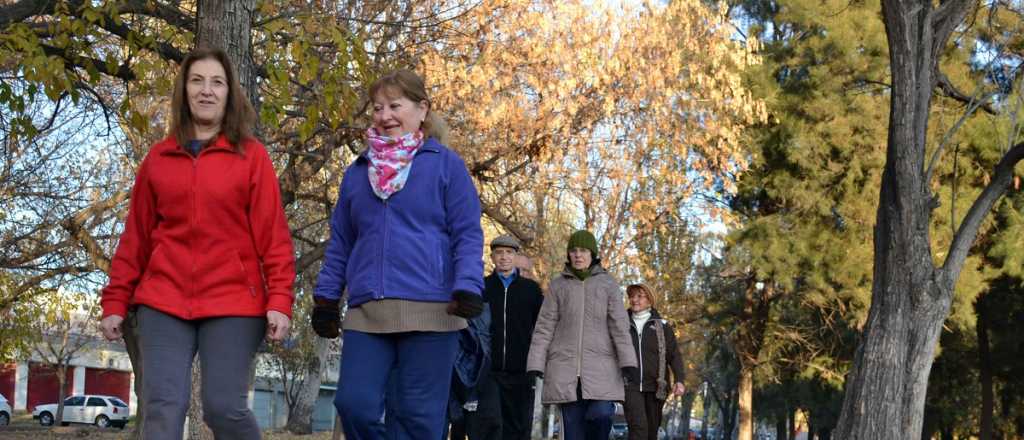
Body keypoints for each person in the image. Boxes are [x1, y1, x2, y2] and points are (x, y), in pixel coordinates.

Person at [98, 47, 295, 440]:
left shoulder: (251, 157)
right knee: (162, 409)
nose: (207, 91)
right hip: (164, 299)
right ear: (185, 91)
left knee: (223, 407)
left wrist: (280, 301)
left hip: (233, 300)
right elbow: (135, 238)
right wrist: (115, 300)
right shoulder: (158, 158)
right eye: (197, 81)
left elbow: (273, 237)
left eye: (217, 82)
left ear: (229, 93)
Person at [309, 68, 485, 440]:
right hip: (368, 312)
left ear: (422, 110)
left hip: (433, 311)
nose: (384, 115)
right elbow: (341, 240)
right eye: (377, 108)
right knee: (353, 404)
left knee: (419, 419)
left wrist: (468, 285)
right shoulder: (357, 172)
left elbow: (467, 232)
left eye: (394, 105)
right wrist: (326, 297)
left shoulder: (446, 165)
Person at [526, 230, 639, 440]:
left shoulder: (608, 285)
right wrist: (535, 363)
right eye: (574, 251)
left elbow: (619, 328)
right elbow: (544, 327)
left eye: (583, 251)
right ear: (569, 255)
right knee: (573, 433)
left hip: (601, 369)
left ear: (592, 254)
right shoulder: (558, 286)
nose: (578, 255)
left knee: (601, 413)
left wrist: (628, 363)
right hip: (565, 370)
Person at [478, 234, 544, 440]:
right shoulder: (482, 287)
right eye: (499, 252)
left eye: (509, 252)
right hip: (489, 370)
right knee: (492, 424)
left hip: (522, 370)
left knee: (519, 426)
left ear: (515, 257)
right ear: (492, 257)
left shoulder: (531, 290)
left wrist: (538, 362)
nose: (504, 257)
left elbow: (542, 328)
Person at [623, 283, 686, 440]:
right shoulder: (621, 323)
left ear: (650, 300)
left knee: (651, 431)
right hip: (629, 384)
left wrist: (679, 380)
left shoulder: (662, 326)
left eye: (640, 296)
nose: (634, 300)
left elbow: (674, 355)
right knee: (639, 427)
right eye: (632, 296)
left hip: (657, 386)